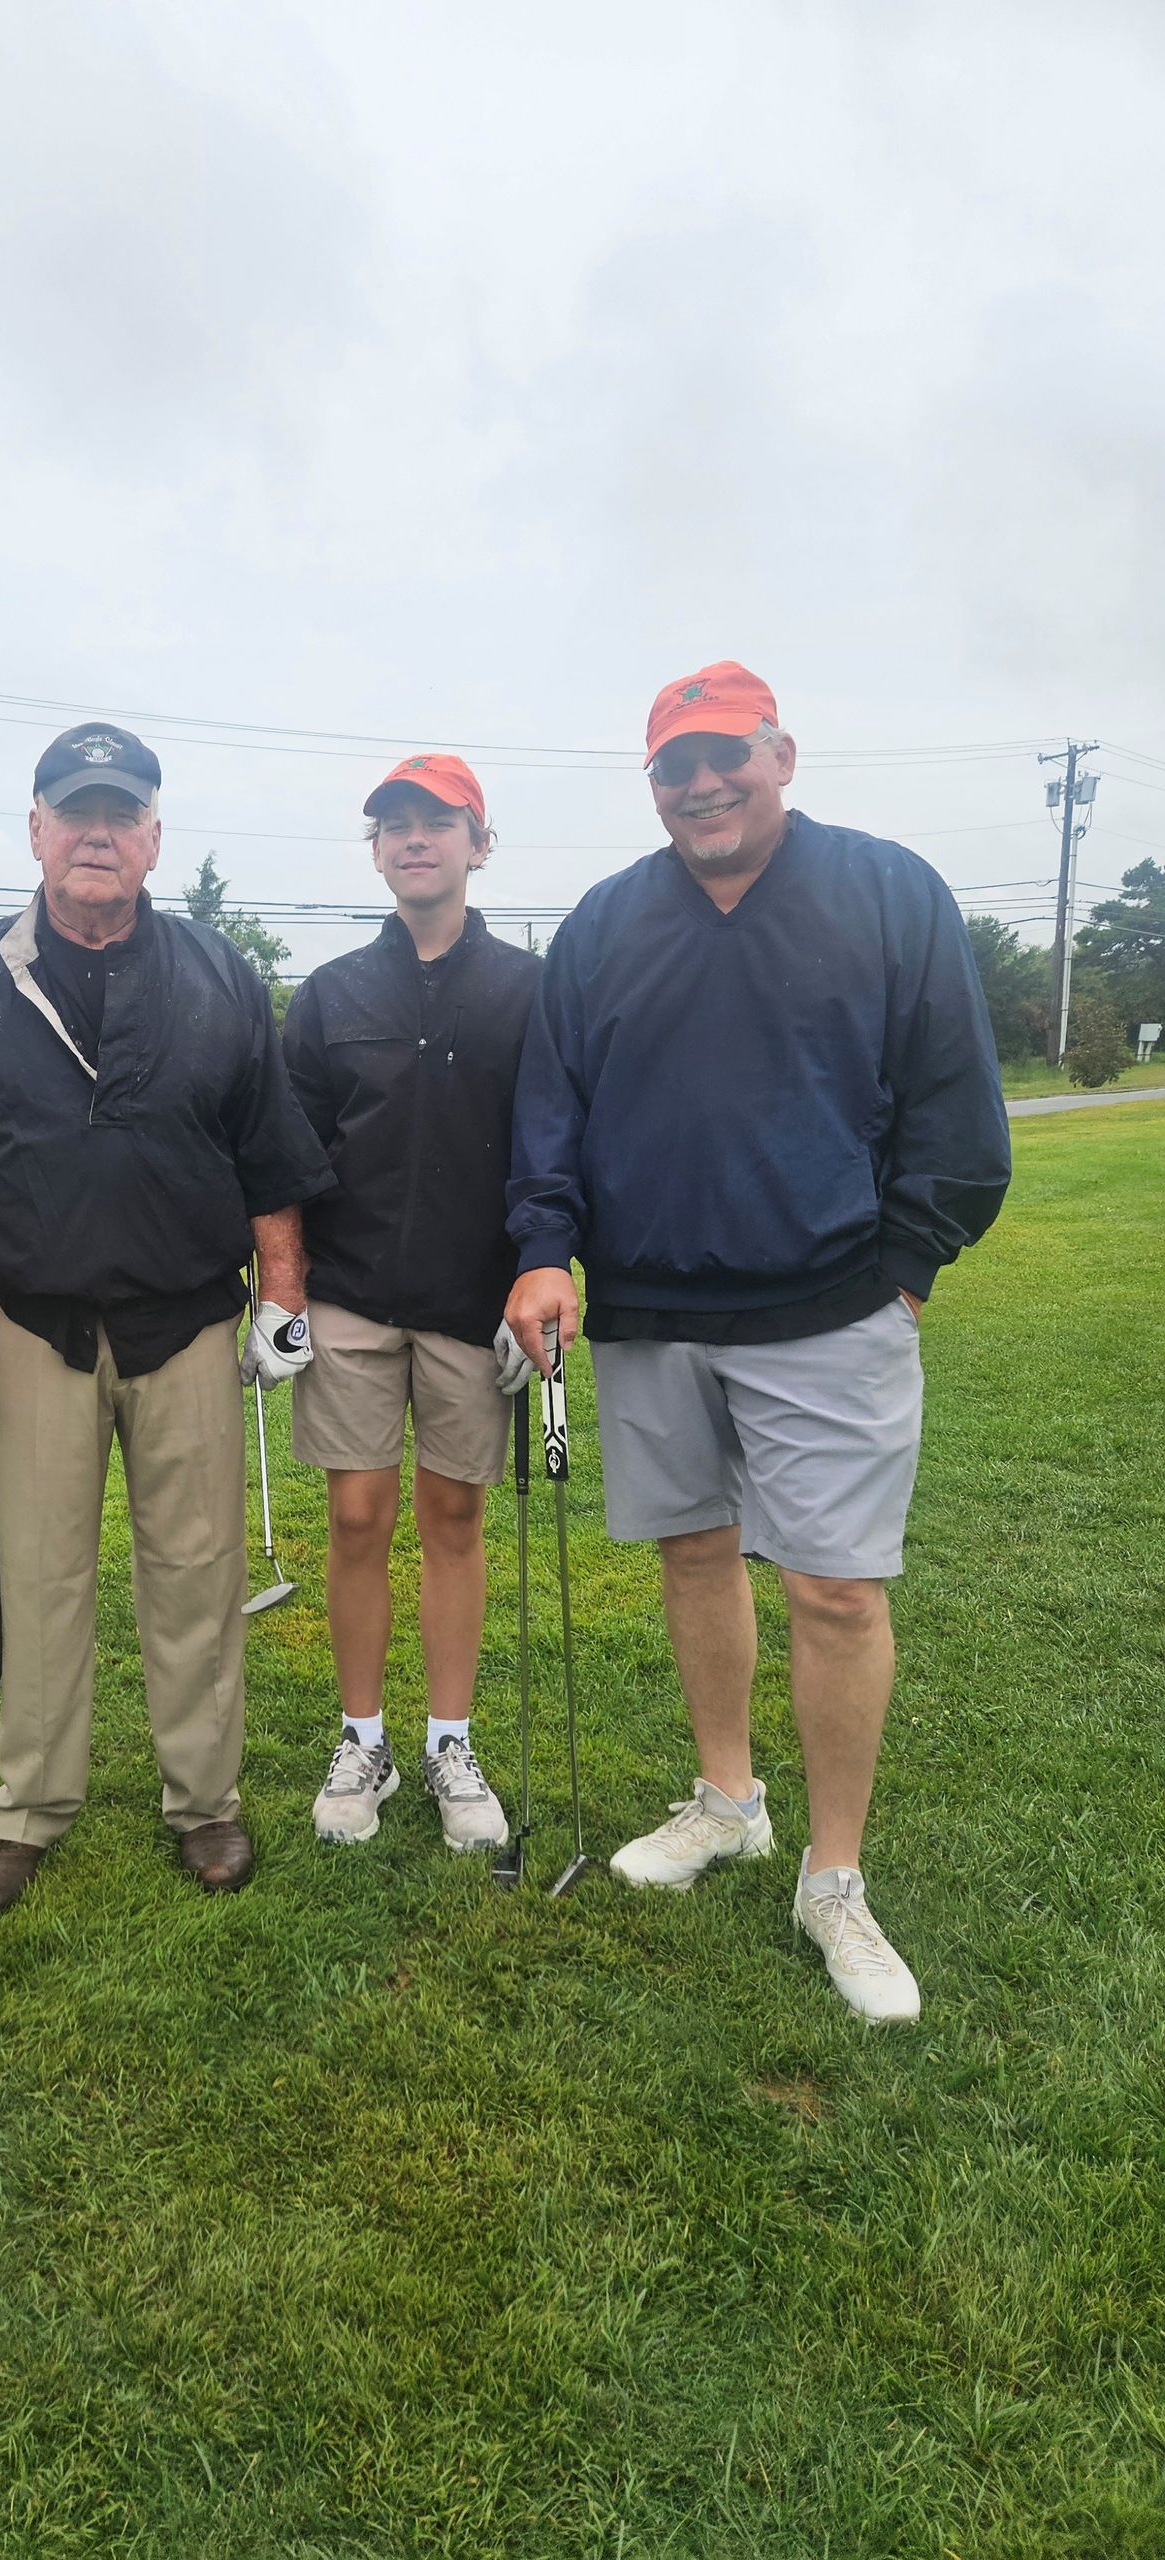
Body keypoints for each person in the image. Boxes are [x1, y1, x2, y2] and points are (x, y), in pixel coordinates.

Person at [503, 663, 1010, 2021]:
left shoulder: (889, 892)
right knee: (693, 1552)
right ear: (651, 782)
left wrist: (901, 1275)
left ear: (781, 754)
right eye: (675, 765)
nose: (702, 783)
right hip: (656, 1313)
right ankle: (729, 1801)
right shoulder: (607, 923)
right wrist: (544, 1249)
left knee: (837, 1590)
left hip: (833, 1307)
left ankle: (833, 1880)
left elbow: (958, 1110)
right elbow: (550, 1111)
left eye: (726, 755)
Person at [0, 722, 334, 1916]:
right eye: (72, 811)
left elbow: (269, 1156)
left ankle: (207, 1805)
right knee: (39, 1582)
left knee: (198, 1575)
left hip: (185, 1325)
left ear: (152, 838)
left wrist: (282, 1291)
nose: (96, 832)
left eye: (119, 813)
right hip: (29, 1330)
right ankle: (26, 1812)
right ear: (35, 830)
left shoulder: (218, 974)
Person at [283, 754, 541, 1851]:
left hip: (472, 1300)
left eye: (436, 822)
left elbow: (554, 1150)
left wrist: (543, 1271)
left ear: (480, 843)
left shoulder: (534, 992)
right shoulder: (331, 993)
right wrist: (279, 1295)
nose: (413, 838)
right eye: (393, 824)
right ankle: (363, 1738)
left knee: (454, 1518)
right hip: (348, 1294)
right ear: (378, 850)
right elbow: (286, 1158)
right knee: (354, 1516)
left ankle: (448, 1742)